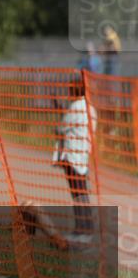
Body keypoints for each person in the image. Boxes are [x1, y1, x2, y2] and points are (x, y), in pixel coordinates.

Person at [51, 78, 96, 239]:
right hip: (83, 156)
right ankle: (87, 228)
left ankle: (81, 230)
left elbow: (61, 128)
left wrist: (59, 114)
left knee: (77, 195)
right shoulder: (90, 109)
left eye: (70, 88)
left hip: (72, 157)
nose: (69, 92)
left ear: (75, 90)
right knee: (82, 193)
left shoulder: (76, 107)